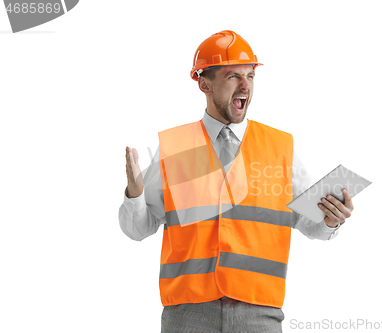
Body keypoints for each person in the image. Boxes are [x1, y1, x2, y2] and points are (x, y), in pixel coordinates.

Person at [119, 30, 354, 333]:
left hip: (260, 314)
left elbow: (313, 225)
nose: (246, 86)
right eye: (233, 77)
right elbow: (138, 229)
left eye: (251, 76)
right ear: (204, 84)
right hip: (187, 314)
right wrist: (134, 195)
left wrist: (331, 220)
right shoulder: (176, 147)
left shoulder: (280, 148)